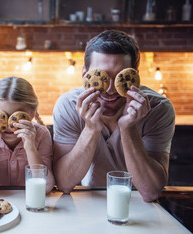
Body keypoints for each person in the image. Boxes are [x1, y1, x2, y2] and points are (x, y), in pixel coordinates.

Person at [53, 30, 175, 202]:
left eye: (119, 77)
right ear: (84, 75)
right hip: (89, 200)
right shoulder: (68, 106)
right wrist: (91, 129)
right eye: (102, 77)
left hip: (140, 204)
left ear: (134, 76)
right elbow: (64, 184)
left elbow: (151, 191)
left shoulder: (158, 109)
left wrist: (128, 128)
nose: (110, 90)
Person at [0, 76, 55, 195]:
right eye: (2, 116)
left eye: (15, 117)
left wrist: (30, 148)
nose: (8, 125)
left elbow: (46, 188)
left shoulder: (41, 135)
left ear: (33, 113)